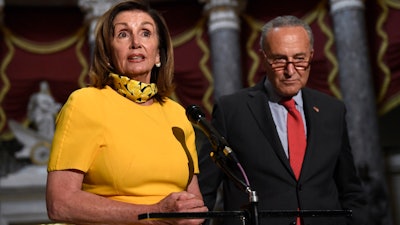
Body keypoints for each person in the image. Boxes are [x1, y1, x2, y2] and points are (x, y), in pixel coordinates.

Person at [46, 1, 207, 225]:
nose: (135, 43)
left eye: (145, 33)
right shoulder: (84, 103)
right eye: (123, 34)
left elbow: (194, 199)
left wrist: (193, 215)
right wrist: (154, 214)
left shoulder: (178, 114)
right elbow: (60, 204)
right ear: (108, 53)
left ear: (158, 55)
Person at [198, 15, 367, 225]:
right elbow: (204, 191)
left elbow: (350, 189)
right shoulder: (231, 110)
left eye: (299, 59)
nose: (290, 71)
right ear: (265, 57)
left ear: (311, 56)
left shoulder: (332, 110)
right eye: (279, 59)